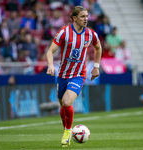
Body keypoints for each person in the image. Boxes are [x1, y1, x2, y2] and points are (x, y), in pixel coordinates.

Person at [46, 6, 102, 147]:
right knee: (63, 105)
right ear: (74, 18)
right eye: (83, 16)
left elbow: (98, 47)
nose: (86, 19)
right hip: (63, 74)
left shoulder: (90, 34)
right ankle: (66, 129)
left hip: (78, 74)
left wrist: (96, 66)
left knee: (66, 102)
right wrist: (50, 65)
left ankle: (67, 131)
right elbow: (50, 51)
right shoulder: (64, 32)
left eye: (87, 16)